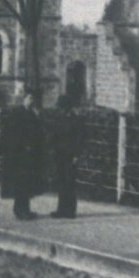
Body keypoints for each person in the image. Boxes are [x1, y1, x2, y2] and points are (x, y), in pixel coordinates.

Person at [0, 89, 46, 221]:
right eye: (29, 98)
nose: (32, 101)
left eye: (33, 99)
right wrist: (23, 146)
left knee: (27, 183)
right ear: (24, 99)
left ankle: (26, 209)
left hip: (30, 155)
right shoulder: (17, 113)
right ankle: (19, 210)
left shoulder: (32, 113)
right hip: (19, 156)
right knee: (20, 184)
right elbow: (12, 133)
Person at [50, 88, 84, 218]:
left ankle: (70, 211)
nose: (60, 110)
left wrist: (76, 155)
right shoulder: (60, 119)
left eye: (62, 107)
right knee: (61, 182)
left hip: (71, 156)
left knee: (69, 182)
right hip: (60, 155)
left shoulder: (76, 120)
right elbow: (55, 136)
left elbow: (80, 139)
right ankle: (61, 209)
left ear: (67, 107)